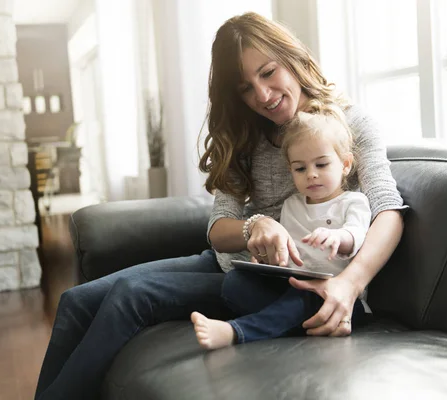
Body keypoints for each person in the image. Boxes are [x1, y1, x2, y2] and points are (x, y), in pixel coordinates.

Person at [34, 12, 406, 400]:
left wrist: (349, 284)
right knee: (75, 301)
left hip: (277, 283)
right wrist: (255, 225)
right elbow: (219, 228)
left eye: (268, 72)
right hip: (231, 263)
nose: (262, 96)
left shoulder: (351, 124)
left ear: (291, 57)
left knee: (131, 293)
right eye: (246, 87)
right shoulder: (247, 132)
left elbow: (388, 211)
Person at [191, 108, 372, 349]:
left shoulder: (352, 202)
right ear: (291, 171)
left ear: (346, 164)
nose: (312, 175)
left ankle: (235, 332)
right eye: (300, 169)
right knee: (236, 282)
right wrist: (266, 260)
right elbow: (286, 252)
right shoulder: (292, 205)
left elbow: (357, 236)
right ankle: (285, 320)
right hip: (294, 285)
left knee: (304, 299)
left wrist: (338, 237)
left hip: (335, 297)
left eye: (321, 164)